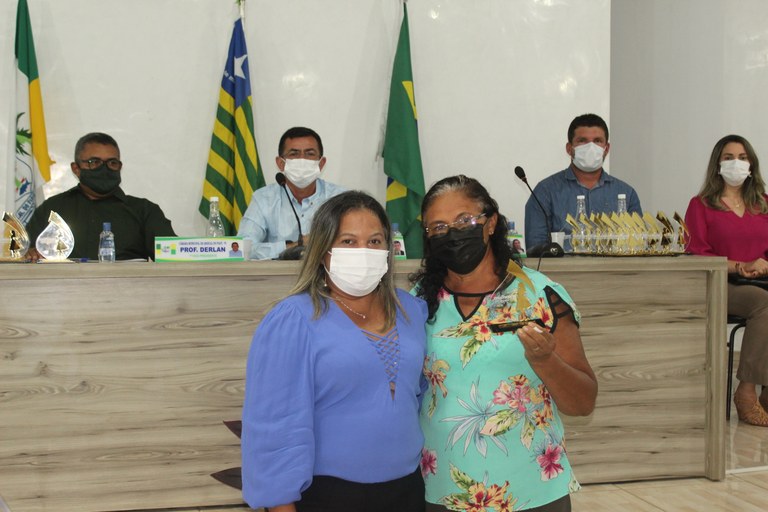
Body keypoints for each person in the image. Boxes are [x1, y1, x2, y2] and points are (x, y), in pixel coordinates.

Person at [412, 175, 597, 511]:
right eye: (438, 227)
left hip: (530, 489)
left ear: (491, 223)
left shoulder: (540, 296)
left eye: (464, 221)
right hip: (442, 488)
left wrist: (545, 361)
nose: (452, 233)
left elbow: (583, 402)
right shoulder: (417, 302)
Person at [241, 191, 428, 511]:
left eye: (374, 241)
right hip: (327, 495)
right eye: (348, 241)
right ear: (323, 251)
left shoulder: (411, 310)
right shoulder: (294, 319)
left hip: (407, 490)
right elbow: (274, 429)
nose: (363, 252)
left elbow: (421, 395)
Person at [685, 134, 768, 426]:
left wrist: (762, 267)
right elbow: (697, 253)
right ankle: (746, 391)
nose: (737, 163)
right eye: (729, 158)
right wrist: (740, 267)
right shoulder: (701, 205)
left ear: (751, 164)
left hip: (761, 280)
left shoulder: (763, 204)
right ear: (717, 165)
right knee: (764, 304)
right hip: (720, 284)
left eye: (743, 158)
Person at [25, 132, 175, 261]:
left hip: (127, 285)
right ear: (76, 168)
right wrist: (28, 254)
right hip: (64, 285)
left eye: (112, 163)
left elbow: (174, 258)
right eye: (95, 162)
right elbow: (22, 254)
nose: (104, 168)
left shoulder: (144, 211)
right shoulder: (53, 209)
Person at [524, 113, 642, 251]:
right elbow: (535, 248)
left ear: (607, 149)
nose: (591, 147)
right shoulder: (545, 192)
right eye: (582, 141)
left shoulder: (627, 194)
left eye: (597, 141)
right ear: (569, 148)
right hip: (562, 265)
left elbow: (637, 244)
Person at [237, 127, 345, 260]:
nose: (302, 159)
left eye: (310, 154)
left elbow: (350, 244)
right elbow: (242, 247)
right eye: (294, 154)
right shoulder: (264, 199)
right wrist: (295, 246)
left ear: (321, 164)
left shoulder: (339, 198)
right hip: (278, 273)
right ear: (281, 163)